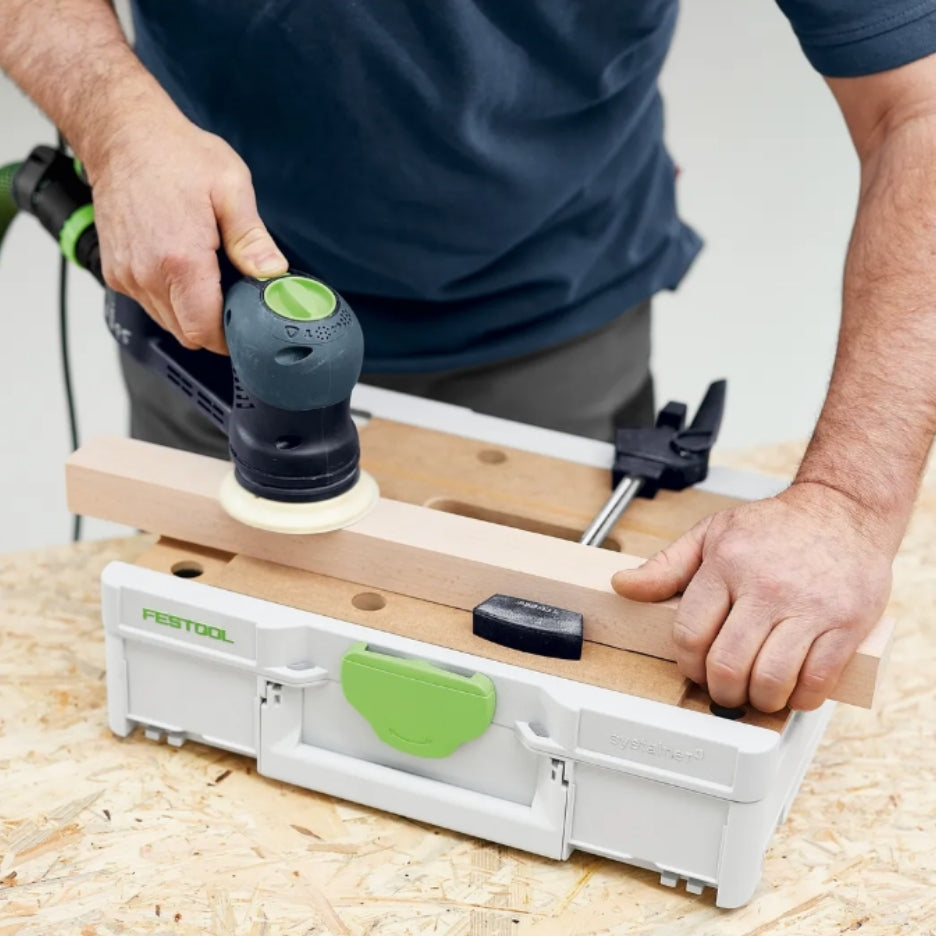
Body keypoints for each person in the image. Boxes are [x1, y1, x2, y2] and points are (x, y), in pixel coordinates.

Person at [2, 1, 933, 714]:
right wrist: (115, 119)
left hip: (554, 311)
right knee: (203, 690)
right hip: (206, 308)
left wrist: (848, 505)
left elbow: (918, 106)